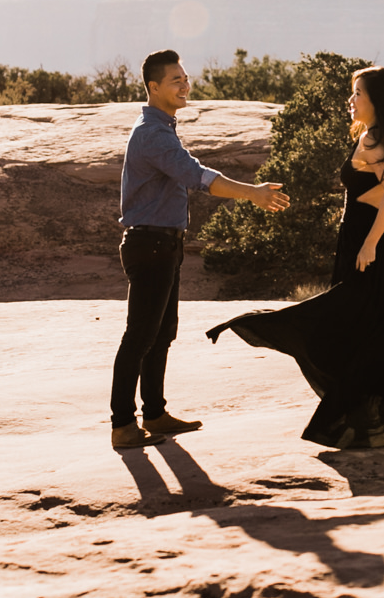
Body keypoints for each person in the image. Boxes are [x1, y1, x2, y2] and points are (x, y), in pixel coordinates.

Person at [207, 65, 384, 449]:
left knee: (368, 330)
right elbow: (379, 191)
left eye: (358, 93)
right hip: (367, 245)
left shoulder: (376, 140)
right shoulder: (372, 136)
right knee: (376, 331)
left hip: (374, 248)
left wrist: (370, 243)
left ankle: (378, 424)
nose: (351, 100)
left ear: (376, 100)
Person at [112, 48, 289, 450]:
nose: (185, 85)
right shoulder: (153, 134)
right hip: (151, 243)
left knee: (161, 333)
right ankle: (122, 423)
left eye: (185, 78)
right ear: (153, 88)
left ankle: (153, 414)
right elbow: (198, 176)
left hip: (165, 243)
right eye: (176, 81)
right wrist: (253, 194)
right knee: (140, 336)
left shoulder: (161, 128)